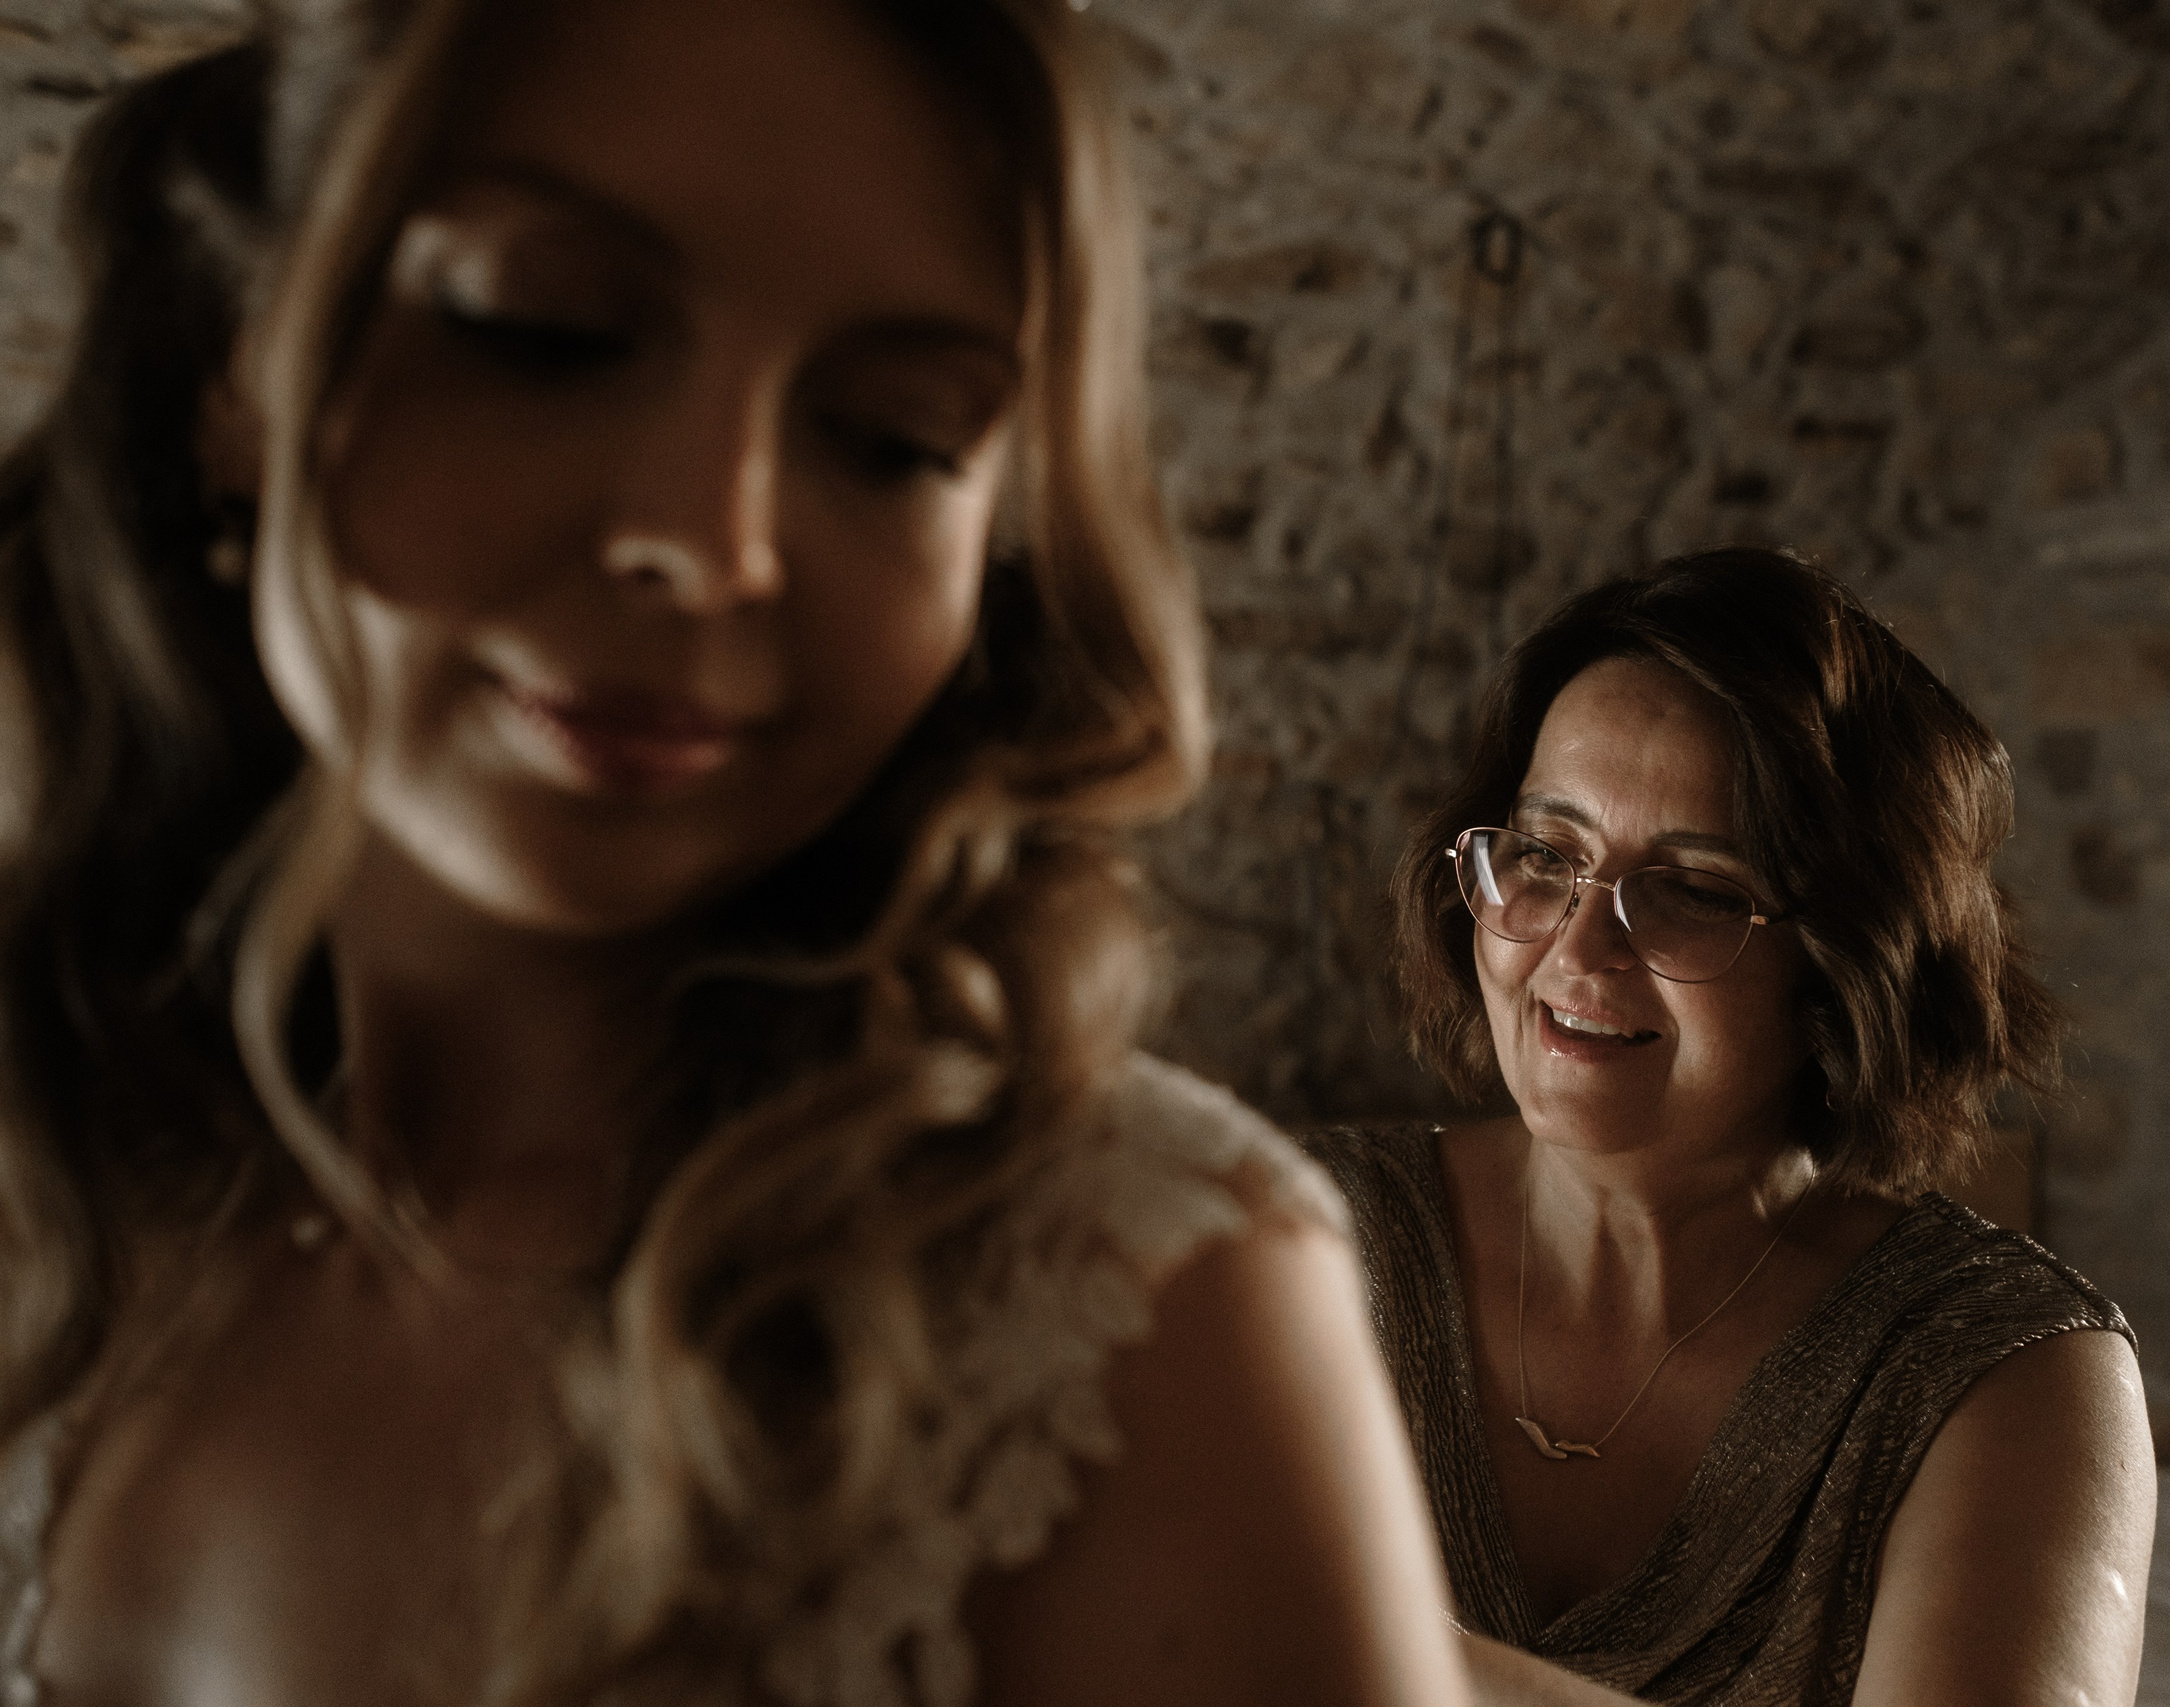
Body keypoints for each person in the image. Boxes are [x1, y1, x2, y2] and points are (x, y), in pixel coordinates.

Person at [0, 2, 1467, 1702]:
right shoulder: (64, 1156)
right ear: (245, 367)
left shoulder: (1144, 1326)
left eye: (897, 434)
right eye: (546, 331)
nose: (712, 542)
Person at [1304, 548, 2156, 1706]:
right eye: (1546, 856)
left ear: (1844, 965)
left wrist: (1307, 1636)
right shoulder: (1294, 1241)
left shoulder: (2006, 1373)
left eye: (1696, 889)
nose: (1579, 948)